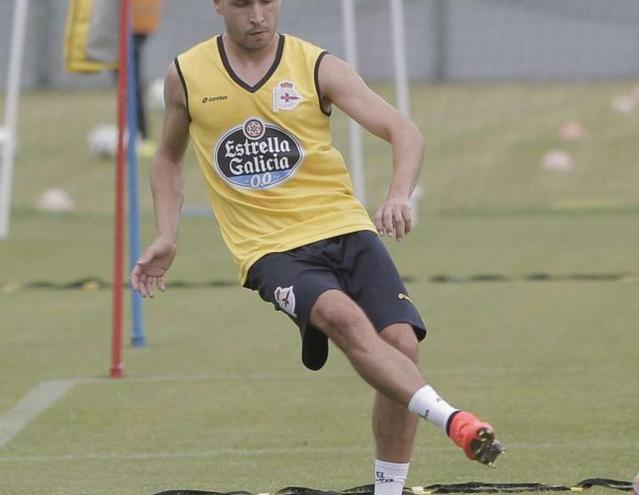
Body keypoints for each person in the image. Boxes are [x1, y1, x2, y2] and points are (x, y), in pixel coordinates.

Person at [130, 1, 504, 493]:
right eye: (243, 4)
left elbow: (404, 132)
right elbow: (167, 158)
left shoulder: (316, 65)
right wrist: (167, 234)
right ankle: (455, 420)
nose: (258, 15)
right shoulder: (185, 74)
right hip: (268, 249)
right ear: (218, 5)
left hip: (344, 227)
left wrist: (397, 195)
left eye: (267, 1)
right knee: (341, 315)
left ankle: (389, 490)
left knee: (402, 344)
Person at [131, 0, 163, 140]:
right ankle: (138, 132)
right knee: (130, 77)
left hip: (134, 21)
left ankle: (139, 133)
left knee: (130, 79)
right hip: (138, 20)